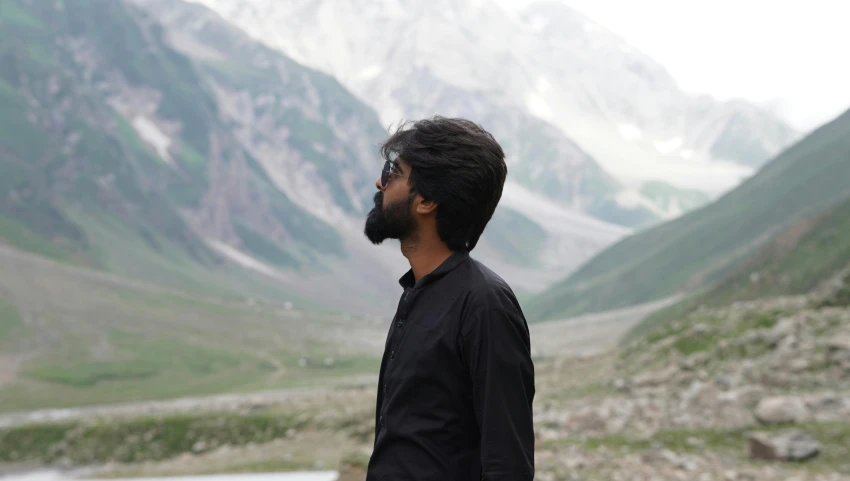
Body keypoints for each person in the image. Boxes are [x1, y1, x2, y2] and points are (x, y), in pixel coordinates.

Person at [362, 116, 535, 481]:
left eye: (394, 172)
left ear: (426, 201)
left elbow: (508, 465)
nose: (380, 182)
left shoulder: (484, 305)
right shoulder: (417, 292)